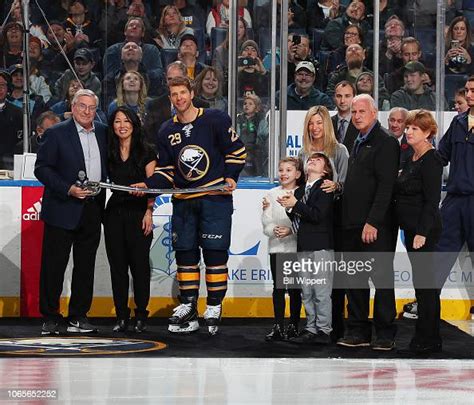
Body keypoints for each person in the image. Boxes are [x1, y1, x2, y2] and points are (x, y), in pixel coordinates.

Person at [142, 76, 246, 335]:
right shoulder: (167, 130)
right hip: (184, 202)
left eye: (182, 92)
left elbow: (237, 152)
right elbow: (166, 170)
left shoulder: (215, 120)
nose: (179, 98)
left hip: (214, 199)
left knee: (214, 251)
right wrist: (148, 184)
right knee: (185, 253)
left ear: (191, 93)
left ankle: (213, 305)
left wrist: (231, 176)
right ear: (170, 98)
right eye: (174, 94)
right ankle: (188, 305)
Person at [34, 89, 108, 335]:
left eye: (92, 108)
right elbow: (42, 169)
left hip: (92, 209)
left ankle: (78, 316)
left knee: (85, 266)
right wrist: (68, 189)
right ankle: (50, 317)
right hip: (62, 208)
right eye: (82, 106)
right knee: (54, 265)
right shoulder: (56, 133)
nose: (87, 112)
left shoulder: (104, 133)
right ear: (73, 107)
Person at [338, 94, 399, 351]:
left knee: (381, 280)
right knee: (355, 280)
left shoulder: (385, 141)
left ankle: (385, 333)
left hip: (377, 226)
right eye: (354, 112)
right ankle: (358, 330)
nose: (357, 116)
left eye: (362, 111)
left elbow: (386, 187)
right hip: (352, 223)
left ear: (374, 113)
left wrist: (373, 221)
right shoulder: (356, 139)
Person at [394, 109, 443, 355]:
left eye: (415, 128)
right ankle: (424, 334)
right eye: (409, 127)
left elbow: (432, 201)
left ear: (428, 133)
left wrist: (422, 232)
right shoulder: (410, 157)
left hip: (424, 232)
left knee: (426, 286)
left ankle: (430, 337)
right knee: (421, 285)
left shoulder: (432, 160)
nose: (409, 131)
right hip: (410, 229)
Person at [105, 107, 157, 334]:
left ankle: (141, 315)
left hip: (138, 212)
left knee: (140, 267)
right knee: (117, 268)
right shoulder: (108, 149)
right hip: (114, 212)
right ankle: (121, 316)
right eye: (117, 121)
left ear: (134, 124)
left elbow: (153, 184)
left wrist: (149, 212)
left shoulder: (146, 151)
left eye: (126, 121)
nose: (122, 125)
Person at [278, 152, 335, 344]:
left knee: (321, 290)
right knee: (307, 290)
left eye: (318, 160)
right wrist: (288, 207)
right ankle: (311, 327)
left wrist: (295, 205)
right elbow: (298, 219)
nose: (312, 161)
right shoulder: (300, 191)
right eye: (310, 159)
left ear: (325, 170)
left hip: (320, 246)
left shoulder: (325, 188)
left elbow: (317, 215)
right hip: (303, 246)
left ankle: (324, 329)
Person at [434, 75, 474, 324]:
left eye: (473, 90)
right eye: (468, 90)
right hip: (455, 200)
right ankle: (427, 303)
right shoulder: (458, 123)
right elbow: (441, 156)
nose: (469, 94)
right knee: (440, 254)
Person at [261, 157, 303, 341]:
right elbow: (266, 220)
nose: (284, 174)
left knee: (294, 288)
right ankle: (278, 325)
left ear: (298, 174)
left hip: (295, 247)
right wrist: (274, 230)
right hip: (277, 247)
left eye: (288, 170)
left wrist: (290, 231)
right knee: (278, 288)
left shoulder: (301, 193)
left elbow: (303, 218)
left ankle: (294, 325)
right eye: (281, 170)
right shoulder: (271, 193)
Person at [236, 93, 268, 176]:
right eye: (245, 103)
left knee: (257, 166)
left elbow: (263, 134)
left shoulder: (260, 119)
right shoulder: (238, 119)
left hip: (255, 149)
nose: (247, 106)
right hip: (241, 148)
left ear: (256, 107)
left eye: (250, 104)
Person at [0, 70, 22, 170]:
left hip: (9, 165)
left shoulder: (18, 113)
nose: (0, 89)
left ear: (8, 88)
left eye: (2, 85)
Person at [331, 80, 358, 153]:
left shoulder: (360, 123)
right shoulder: (327, 123)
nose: (342, 101)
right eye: (339, 96)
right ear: (334, 98)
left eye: (347, 96)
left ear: (354, 97)